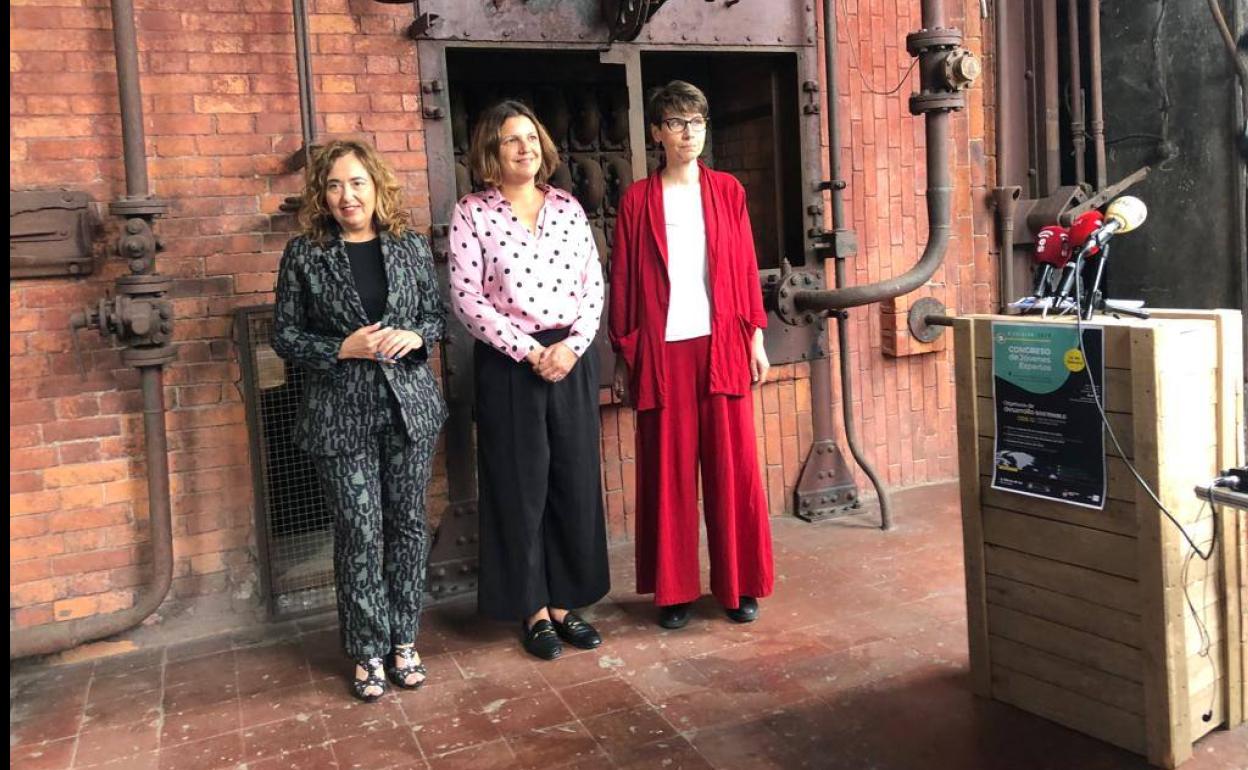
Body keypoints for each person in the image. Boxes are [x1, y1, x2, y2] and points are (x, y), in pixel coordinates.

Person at [273, 139, 447, 701]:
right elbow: (285, 335)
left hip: (408, 411)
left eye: (357, 183)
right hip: (338, 413)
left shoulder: (410, 247)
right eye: (334, 185)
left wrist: (417, 335)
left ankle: (404, 639)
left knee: (408, 528)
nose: (347, 195)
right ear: (321, 196)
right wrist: (339, 349)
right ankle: (368, 649)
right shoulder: (305, 253)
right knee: (359, 532)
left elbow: (435, 317)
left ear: (377, 187)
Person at [609, 80, 774, 630]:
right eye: (676, 123)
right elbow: (625, 280)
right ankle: (673, 589)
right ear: (657, 132)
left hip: (721, 344)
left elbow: (746, 267)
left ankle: (737, 585)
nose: (688, 133)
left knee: (733, 472)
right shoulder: (637, 199)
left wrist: (755, 336)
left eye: (697, 122)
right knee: (669, 474)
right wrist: (626, 349)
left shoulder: (728, 191)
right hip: (664, 351)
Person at [449, 100, 610, 660]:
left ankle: (567, 602)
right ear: (490, 152)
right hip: (509, 365)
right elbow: (466, 298)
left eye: (532, 139)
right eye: (511, 140)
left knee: (573, 478)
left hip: (571, 355)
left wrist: (571, 347)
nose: (525, 148)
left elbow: (594, 284)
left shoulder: (568, 207)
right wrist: (528, 351)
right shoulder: (471, 213)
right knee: (520, 488)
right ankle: (533, 608)